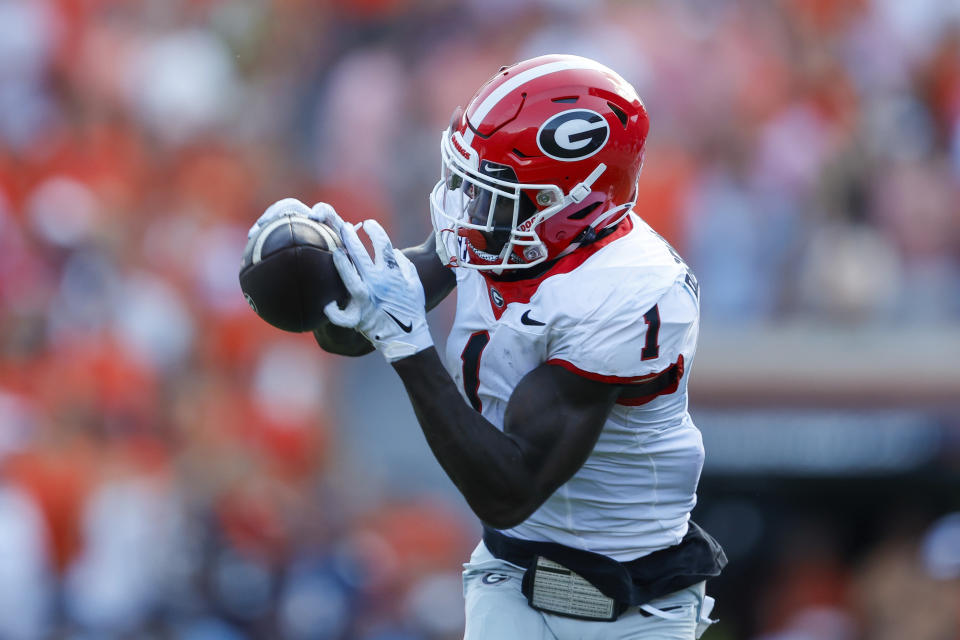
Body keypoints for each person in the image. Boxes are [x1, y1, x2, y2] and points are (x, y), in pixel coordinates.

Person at [251, 54, 725, 639]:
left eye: (494, 193)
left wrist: (408, 346)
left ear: (572, 203)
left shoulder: (630, 291)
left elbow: (510, 490)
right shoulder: (500, 235)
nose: (467, 210)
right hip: (512, 582)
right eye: (468, 183)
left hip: (633, 613)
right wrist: (321, 266)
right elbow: (356, 329)